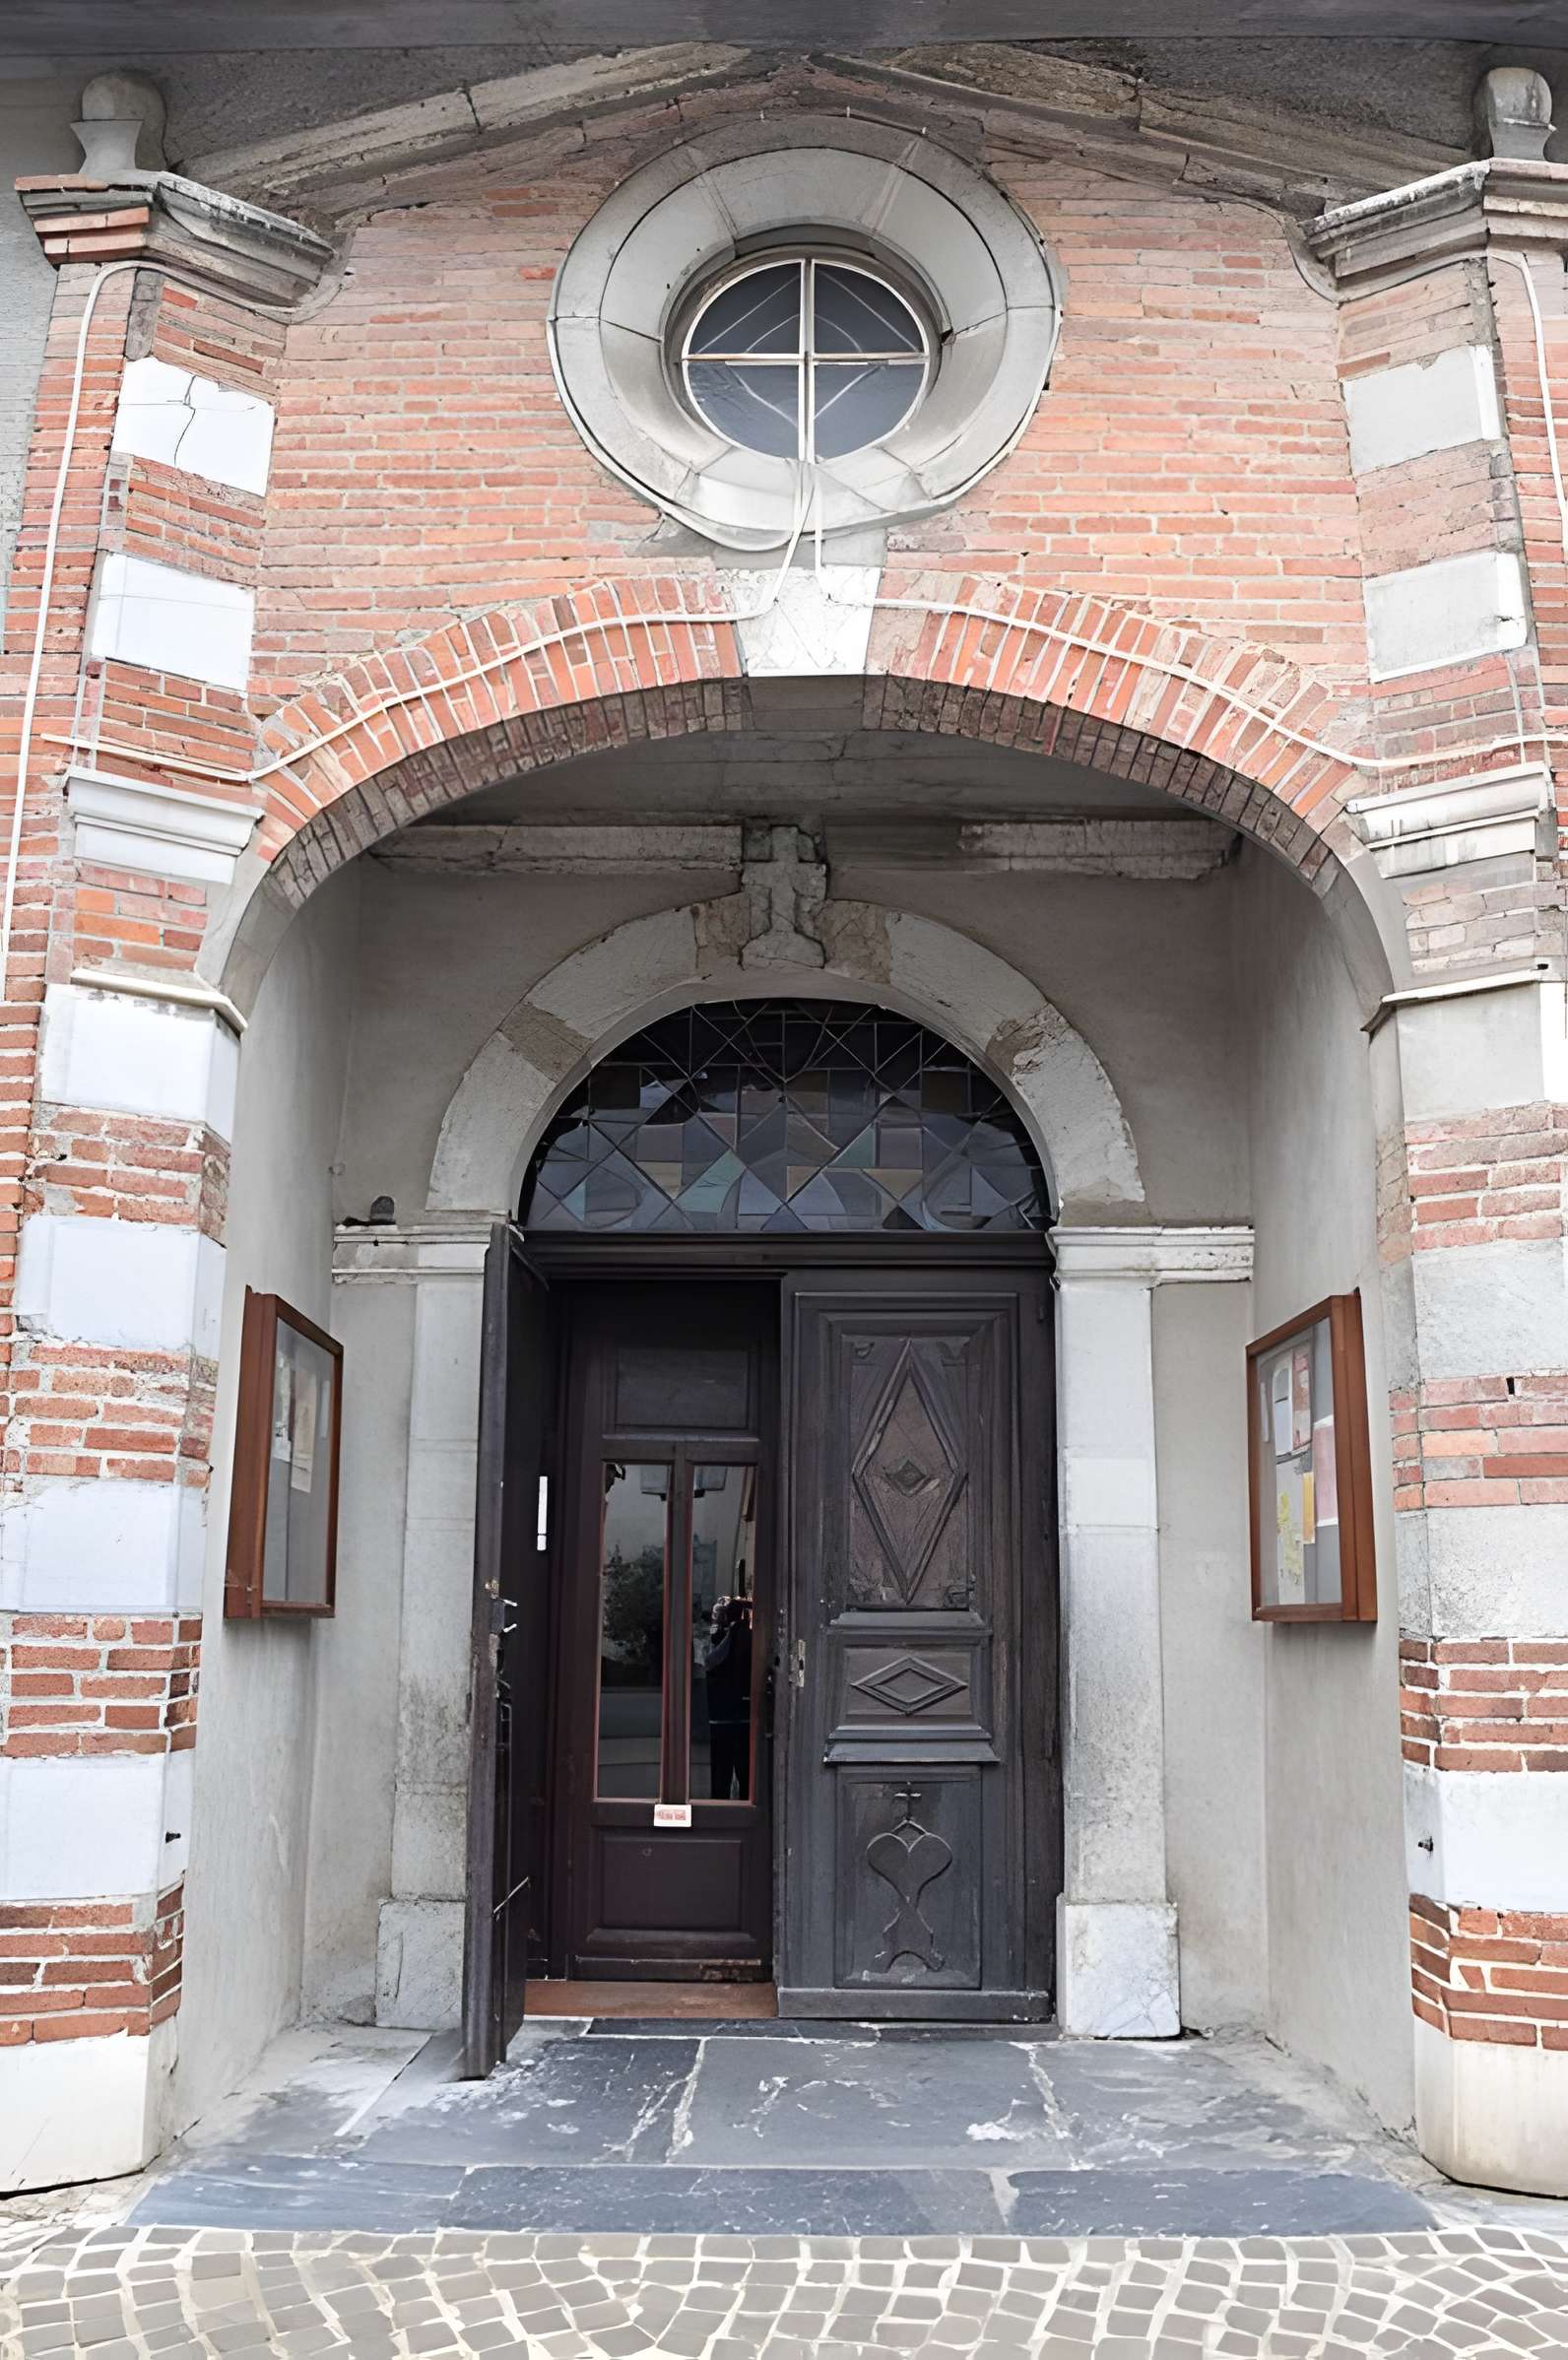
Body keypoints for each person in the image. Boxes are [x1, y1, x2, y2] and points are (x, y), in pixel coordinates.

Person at [703, 1595, 752, 1801]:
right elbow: (711, 1662)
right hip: (736, 1713)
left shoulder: (733, 1635)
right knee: (741, 1770)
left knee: (725, 1769)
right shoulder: (736, 1635)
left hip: (725, 1713)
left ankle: (722, 1805)